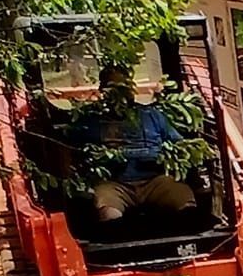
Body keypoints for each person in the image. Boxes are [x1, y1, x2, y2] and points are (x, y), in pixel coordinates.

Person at [77, 65, 196, 224]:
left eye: (125, 86)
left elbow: (180, 145)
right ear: (104, 90)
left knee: (184, 199)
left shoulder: (152, 115)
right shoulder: (92, 120)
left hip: (155, 181)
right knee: (109, 213)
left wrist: (170, 156)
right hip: (115, 184)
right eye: (115, 88)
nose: (122, 93)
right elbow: (75, 153)